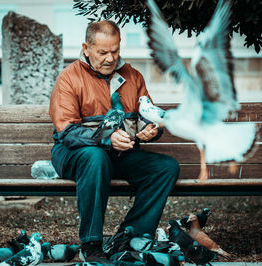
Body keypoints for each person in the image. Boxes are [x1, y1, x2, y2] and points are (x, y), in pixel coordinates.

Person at [48, 20, 179, 263]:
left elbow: (147, 116)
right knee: (95, 157)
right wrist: (106, 139)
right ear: (86, 48)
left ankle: (130, 236)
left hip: (118, 154)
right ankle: (91, 244)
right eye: (102, 52)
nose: (110, 58)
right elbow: (67, 131)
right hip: (74, 154)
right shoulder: (69, 78)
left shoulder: (134, 76)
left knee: (166, 168)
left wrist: (152, 130)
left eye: (115, 50)